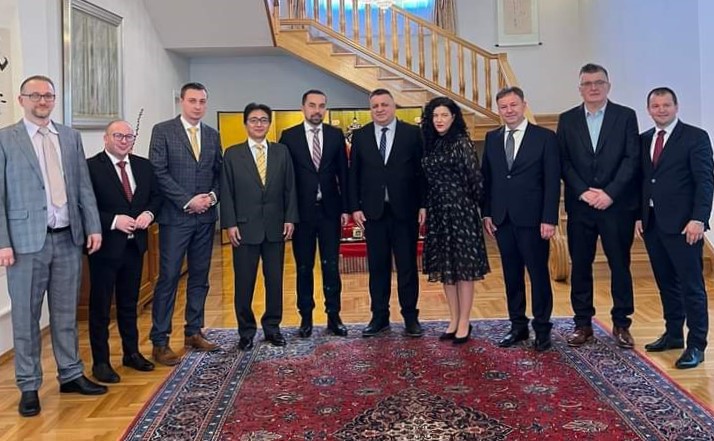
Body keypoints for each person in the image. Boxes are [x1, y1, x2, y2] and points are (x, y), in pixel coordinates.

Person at [0, 75, 106, 417]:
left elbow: (83, 186)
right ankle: (28, 385)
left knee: (65, 314)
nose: (42, 101)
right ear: (22, 100)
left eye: (48, 95)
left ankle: (71, 374)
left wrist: (93, 226)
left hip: (68, 238)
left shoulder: (70, 137)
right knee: (26, 318)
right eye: (35, 95)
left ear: (55, 99)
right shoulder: (6, 139)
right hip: (25, 244)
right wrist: (3, 243)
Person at [558, 63, 640, 349]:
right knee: (581, 266)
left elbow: (632, 159)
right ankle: (583, 324)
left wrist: (610, 193)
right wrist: (582, 192)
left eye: (599, 82)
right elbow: (563, 161)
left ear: (608, 85)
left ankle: (621, 324)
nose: (593, 87)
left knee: (620, 265)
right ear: (580, 88)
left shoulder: (625, 116)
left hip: (616, 207)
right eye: (587, 83)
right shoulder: (567, 119)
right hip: (581, 207)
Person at [635, 87, 713, 369]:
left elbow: (705, 181)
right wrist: (639, 216)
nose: (661, 110)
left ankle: (697, 344)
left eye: (666, 105)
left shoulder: (695, 137)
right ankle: (673, 334)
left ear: (676, 107)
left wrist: (699, 219)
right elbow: (643, 181)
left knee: (691, 286)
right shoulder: (644, 139)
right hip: (653, 224)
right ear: (649, 110)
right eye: (655, 106)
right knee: (666, 283)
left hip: (685, 226)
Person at [148, 82, 223, 365]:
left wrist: (212, 197)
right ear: (182, 101)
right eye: (192, 101)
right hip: (175, 218)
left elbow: (219, 173)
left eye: (202, 101)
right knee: (168, 278)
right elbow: (158, 171)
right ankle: (160, 341)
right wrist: (187, 200)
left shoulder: (213, 135)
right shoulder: (163, 131)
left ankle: (193, 331)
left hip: (205, 219)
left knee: (200, 277)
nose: (198, 106)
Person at [481, 87, 560, 351]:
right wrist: (487, 212)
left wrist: (549, 218)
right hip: (502, 220)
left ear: (524, 105)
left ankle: (542, 329)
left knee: (538, 275)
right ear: (499, 110)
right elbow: (488, 179)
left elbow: (552, 182)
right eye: (503, 107)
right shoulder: (492, 138)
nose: (509, 110)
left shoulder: (545, 138)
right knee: (511, 276)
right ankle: (518, 326)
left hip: (534, 220)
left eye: (513, 105)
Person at [86, 120, 162, 383]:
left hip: (134, 247)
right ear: (106, 138)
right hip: (104, 248)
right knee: (100, 307)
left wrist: (149, 214)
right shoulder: (91, 167)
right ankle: (101, 362)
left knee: (130, 304)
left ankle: (131, 353)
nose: (124, 141)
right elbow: (85, 205)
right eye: (118, 136)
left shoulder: (143, 166)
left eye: (129, 136)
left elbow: (156, 197)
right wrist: (113, 221)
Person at [348, 88, 426, 338]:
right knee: (378, 267)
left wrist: (423, 204)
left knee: (407, 267)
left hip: (405, 212)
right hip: (373, 214)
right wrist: (355, 207)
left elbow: (421, 173)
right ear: (370, 109)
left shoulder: (412, 134)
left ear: (394, 106)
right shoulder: (360, 136)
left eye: (384, 104)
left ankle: (410, 317)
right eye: (375, 106)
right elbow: (353, 174)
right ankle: (379, 316)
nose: (380, 109)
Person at [221, 103, 299, 351]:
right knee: (244, 283)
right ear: (245, 124)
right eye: (253, 120)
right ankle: (246, 332)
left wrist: (290, 218)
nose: (258, 124)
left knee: (275, 281)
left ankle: (272, 328)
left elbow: (290, 188)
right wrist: (230, 224)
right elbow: (226, 192)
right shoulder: (232, 154)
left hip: (275, 227)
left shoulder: (281, 152)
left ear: (269, 123)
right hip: (244, 229)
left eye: (263, 120)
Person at [279, 90, 349, 338]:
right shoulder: (289, 137)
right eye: (312, 105)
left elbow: (344, 173)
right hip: (302, 215)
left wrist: (346, 208)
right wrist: (287, 214)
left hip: (330, 212)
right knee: (303, 267)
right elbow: (284, 180)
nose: (317, 110)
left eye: (321, 106)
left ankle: (334, 316)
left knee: (331, 266)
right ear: (303, 108)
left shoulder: (335, 135)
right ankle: (306, 317)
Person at [421, 96, 490, 345]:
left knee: (463, 270)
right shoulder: (431, 144)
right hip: (438, 213)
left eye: (444, 115)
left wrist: (474, 207)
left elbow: (476, 180)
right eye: (435, 116)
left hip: (461, 213)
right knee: (446, 269)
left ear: (453, 118)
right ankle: (453, 319)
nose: (439, 120)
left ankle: (464, 322)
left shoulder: (462, 142)